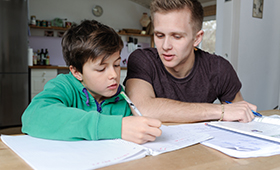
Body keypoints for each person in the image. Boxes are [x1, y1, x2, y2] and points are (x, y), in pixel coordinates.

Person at [21, 20, 161, 144]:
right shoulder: (64, 86)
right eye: (101, 69)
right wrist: (117, 127)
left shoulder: (122, 99)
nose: (114, 75)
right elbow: (33, 117)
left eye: (117, 65)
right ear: (77, 72)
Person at [124, 0, 257, 123]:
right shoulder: (142, 59)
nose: (165, 46)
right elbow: (142, 109)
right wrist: (220, 111)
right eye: (159, 35)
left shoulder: (219, 68)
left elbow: (240, 115)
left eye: (176, 36)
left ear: (197, 38)